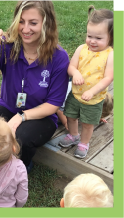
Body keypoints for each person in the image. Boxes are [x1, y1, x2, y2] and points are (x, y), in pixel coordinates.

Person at [0, 0, 69, 172]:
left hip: (41, 116)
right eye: (21, 21)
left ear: (46, 23)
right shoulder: (8, 45)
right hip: (8, 107)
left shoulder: (59, 57)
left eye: (33, 23)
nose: (25, 29)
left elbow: (53, 104)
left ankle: (22, 165)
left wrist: (21, 117)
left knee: (21, 138)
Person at [58, 5, 113, 158]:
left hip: (93, 98)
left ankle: (84, 142)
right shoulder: (81, 49)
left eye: (98, 38)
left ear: (111, 37)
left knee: (88, 123)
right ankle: (74, 135)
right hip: (76, 94)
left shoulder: (110, 55)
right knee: (71, 116)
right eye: (90, 36)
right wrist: (75, 73)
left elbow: (108, 78)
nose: (92, 41)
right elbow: (71, 66)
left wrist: (92, 91)